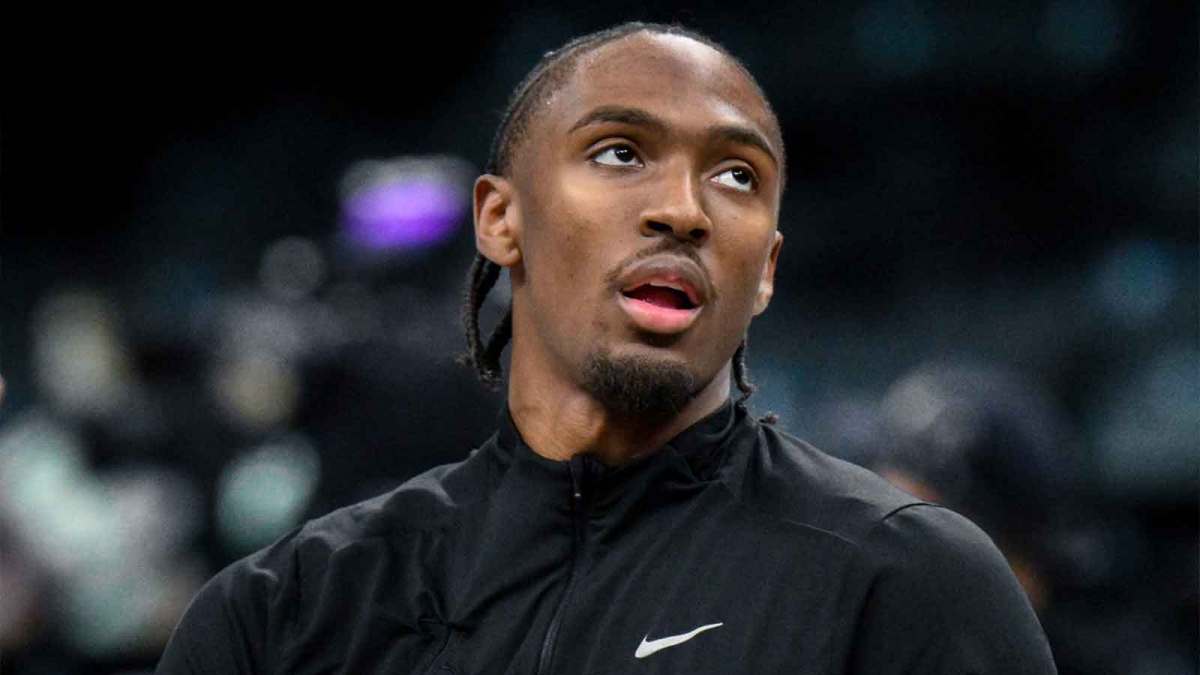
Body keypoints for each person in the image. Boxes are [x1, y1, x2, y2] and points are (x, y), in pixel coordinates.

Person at [157, 22, 1057, 674]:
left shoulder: (907, 584)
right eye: (621, 152)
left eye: (738, 175)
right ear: (500, 220)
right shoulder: (287, 612)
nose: (685, 209)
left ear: (768, 269)